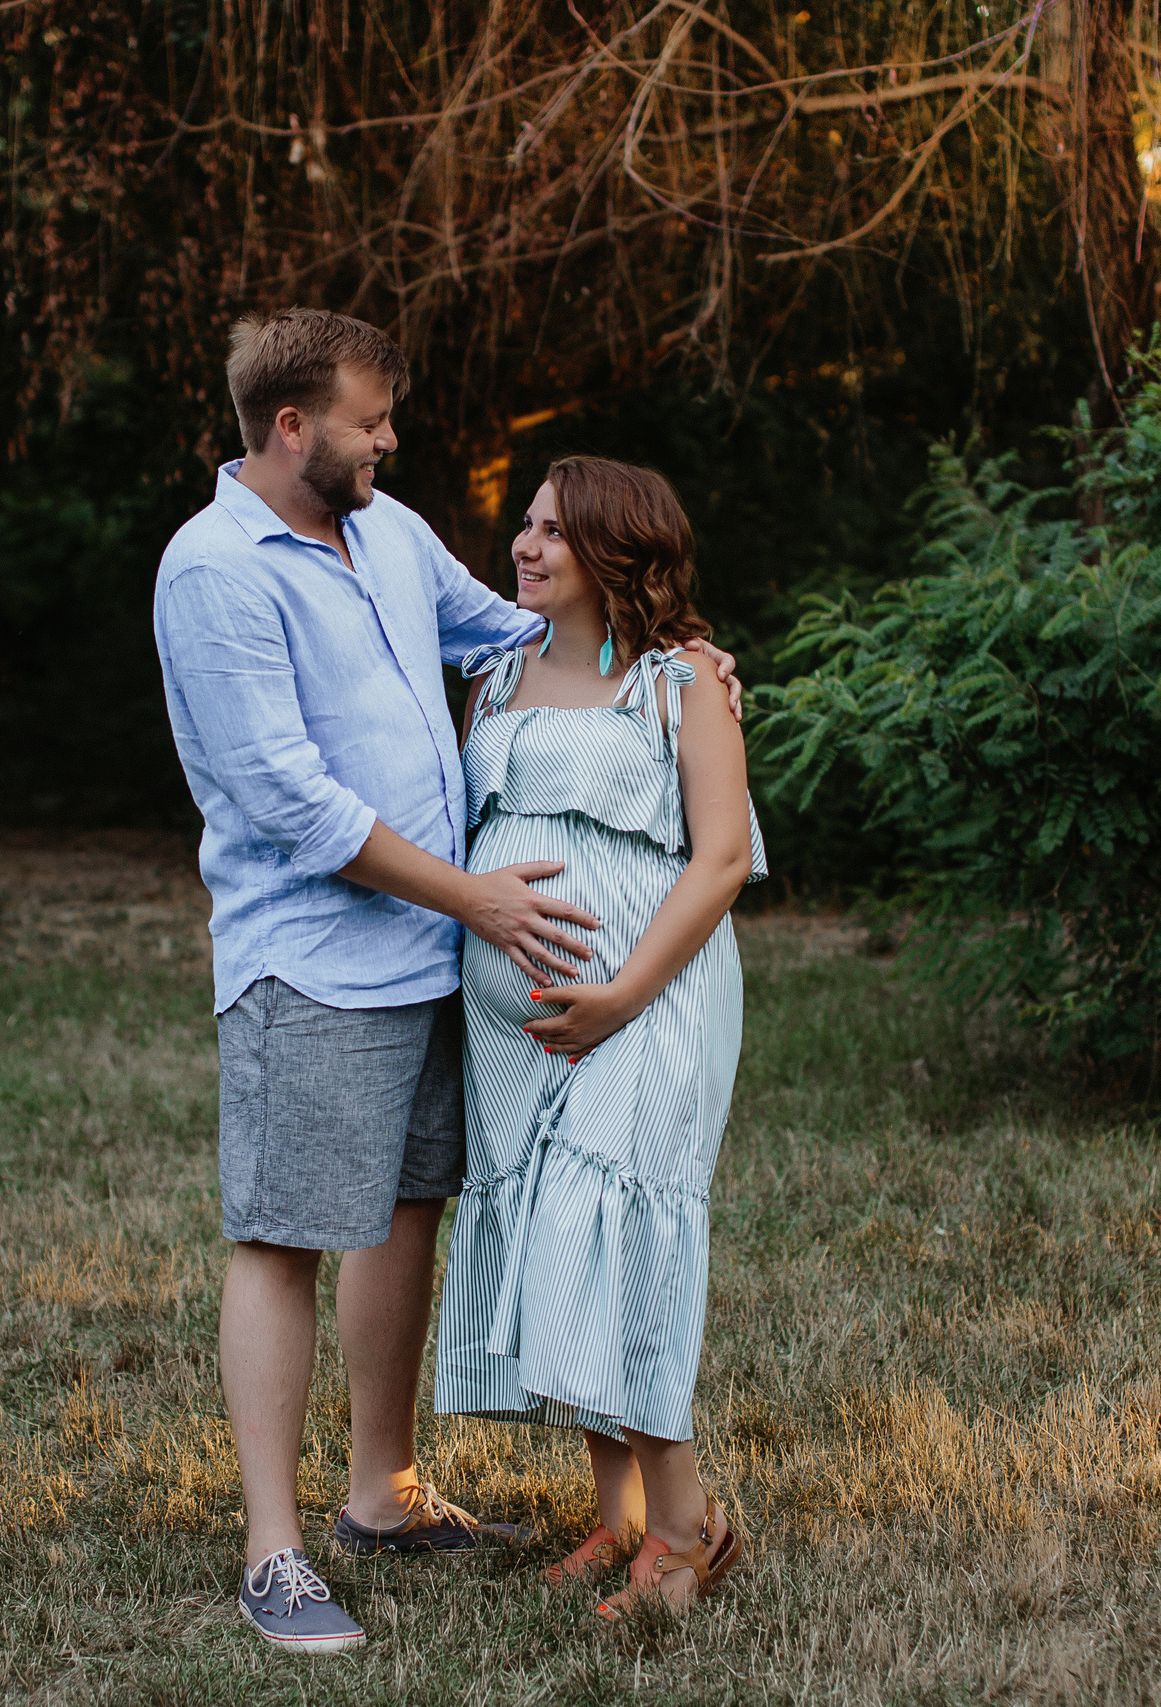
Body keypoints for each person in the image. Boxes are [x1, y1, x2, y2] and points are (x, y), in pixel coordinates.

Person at [151, 312, 739, 1653]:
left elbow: (521, 630)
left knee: (408, 1210)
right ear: (293, 425)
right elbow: (290, 799)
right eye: (370, 421)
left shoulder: (388, 533)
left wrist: (678, 652)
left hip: (431, 961)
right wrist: (472, 894)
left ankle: (383, 1490)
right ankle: (273, 1550)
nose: (391, 440)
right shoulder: (214, 571)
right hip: (314, 956)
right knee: (283, 1232)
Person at [432, 455, 761, 1620]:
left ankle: (684, 1532)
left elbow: (721, 859)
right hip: (516, 1030)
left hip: (651, 1002)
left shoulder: (684, 682)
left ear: (617, 549)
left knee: (619, 1237)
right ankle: (618, 1515)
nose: (525, 547)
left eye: (554, 532)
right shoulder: (498, 674)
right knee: (556, 1234)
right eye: (525, 526)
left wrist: (620, 995)